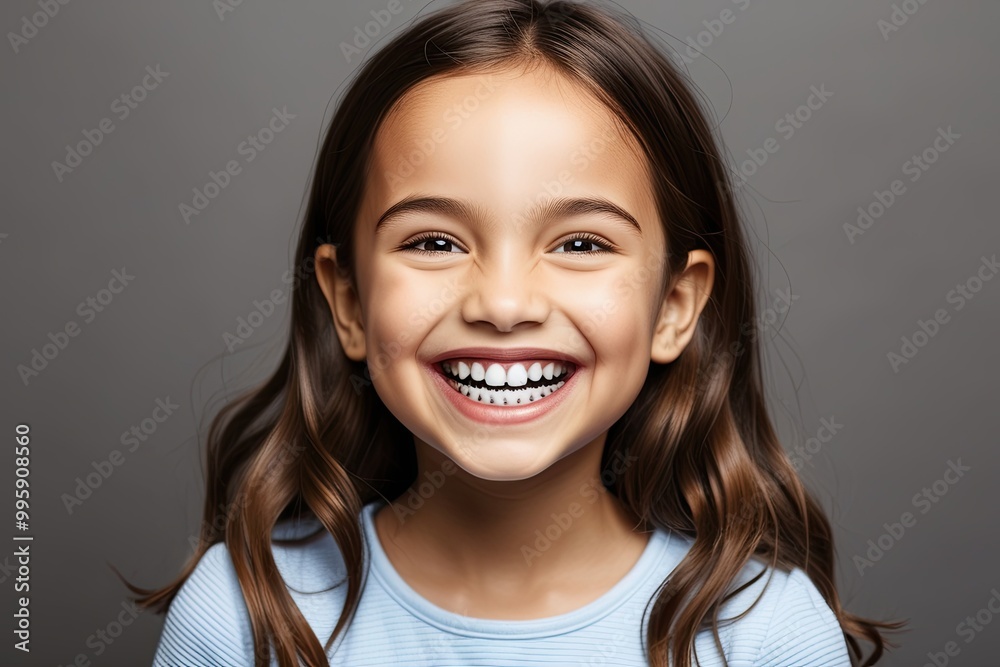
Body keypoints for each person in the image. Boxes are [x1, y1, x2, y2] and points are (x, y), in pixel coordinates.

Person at [130, 1, 906, 664]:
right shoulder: (243, 617)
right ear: (350, 304)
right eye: (434, 242)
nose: (504, 303)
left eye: (580, 244)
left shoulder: (763, 634)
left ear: (675, 304)